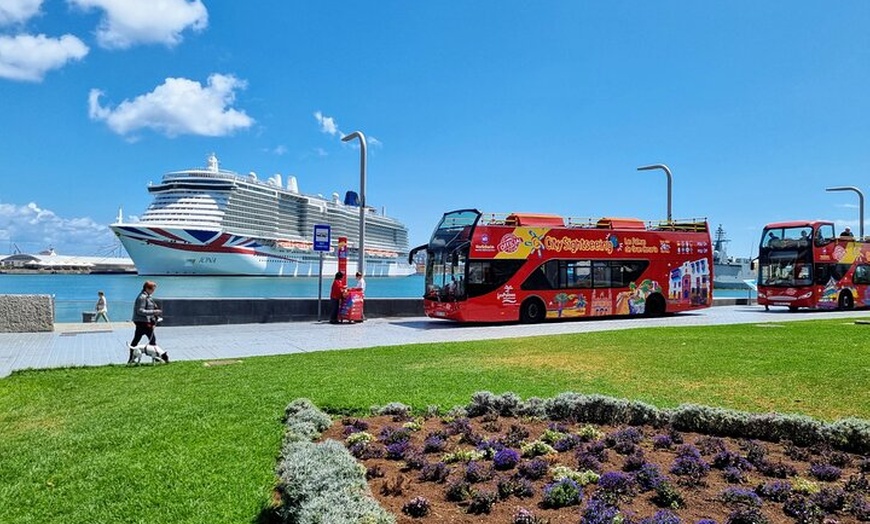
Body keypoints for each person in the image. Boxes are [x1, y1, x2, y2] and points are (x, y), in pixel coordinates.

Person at [128, 281, 168, 363]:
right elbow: (140, 311)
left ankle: (132, 358)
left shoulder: (147, 296)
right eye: (152, 289)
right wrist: (154, 312)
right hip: (143, 322)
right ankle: (156, 357)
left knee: (137, 340)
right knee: (151, 339)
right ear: (147, 288)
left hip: (143, 321)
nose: (153, 291)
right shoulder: (142, 297)